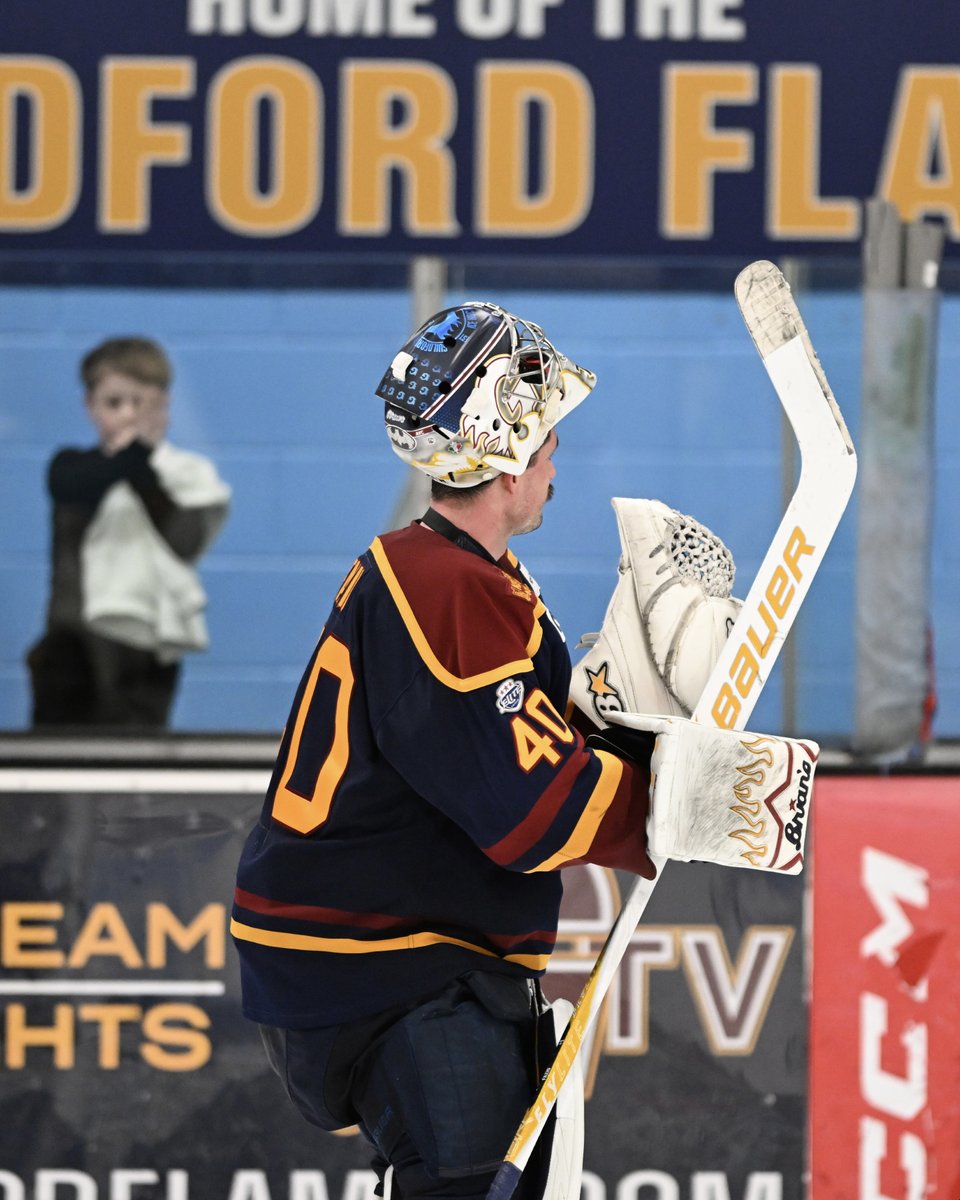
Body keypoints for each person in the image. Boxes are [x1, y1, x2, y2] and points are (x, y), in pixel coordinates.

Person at [231, 302, 816, 1200]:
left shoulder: (451, 576)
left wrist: (621, 727)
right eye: (543, 441)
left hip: (370, 961)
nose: (554, 461)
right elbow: (523, 808)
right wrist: (681, 800)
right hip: (391, 966)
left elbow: (501, 753)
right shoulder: (447, 588)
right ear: (503, 460)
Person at [27, 336, 231, 729]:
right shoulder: (71, 466)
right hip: (71, 653)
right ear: (90, 405)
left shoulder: (182, 475)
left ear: (161, 407)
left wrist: (144, 465)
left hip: (143, 658)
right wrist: (136, 452)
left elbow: (183, 542)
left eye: (140, 404)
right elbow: (77, 488)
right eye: (114, 403)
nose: (126, 415)